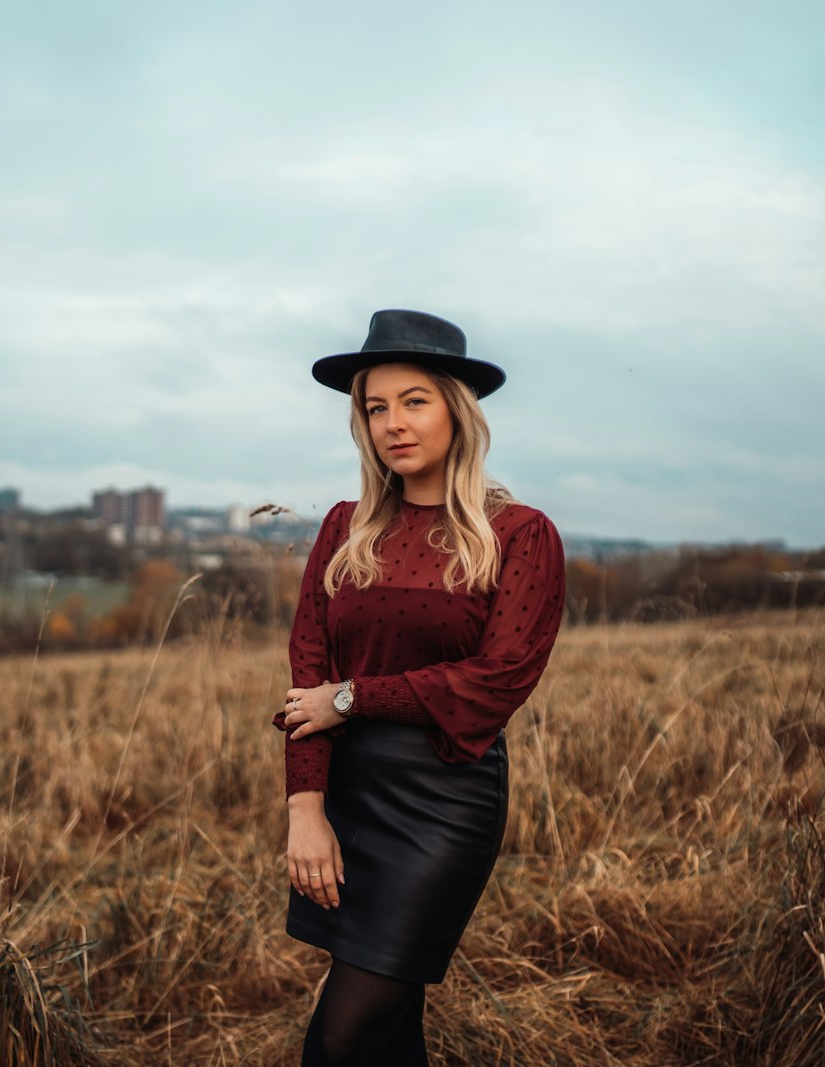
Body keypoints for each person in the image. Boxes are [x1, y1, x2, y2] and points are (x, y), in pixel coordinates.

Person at [272, 309, 567, 1065]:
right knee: (389, 1033)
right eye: (376, 406)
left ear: (456, 410)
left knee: (341, 1037)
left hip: (444, 804)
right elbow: (307, 673)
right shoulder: (344, 528)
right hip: (347, 796)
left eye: (414, 400)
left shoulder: (519, 533)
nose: (393, 423)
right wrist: (306, 810)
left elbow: (494, 680)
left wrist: (353, 697)